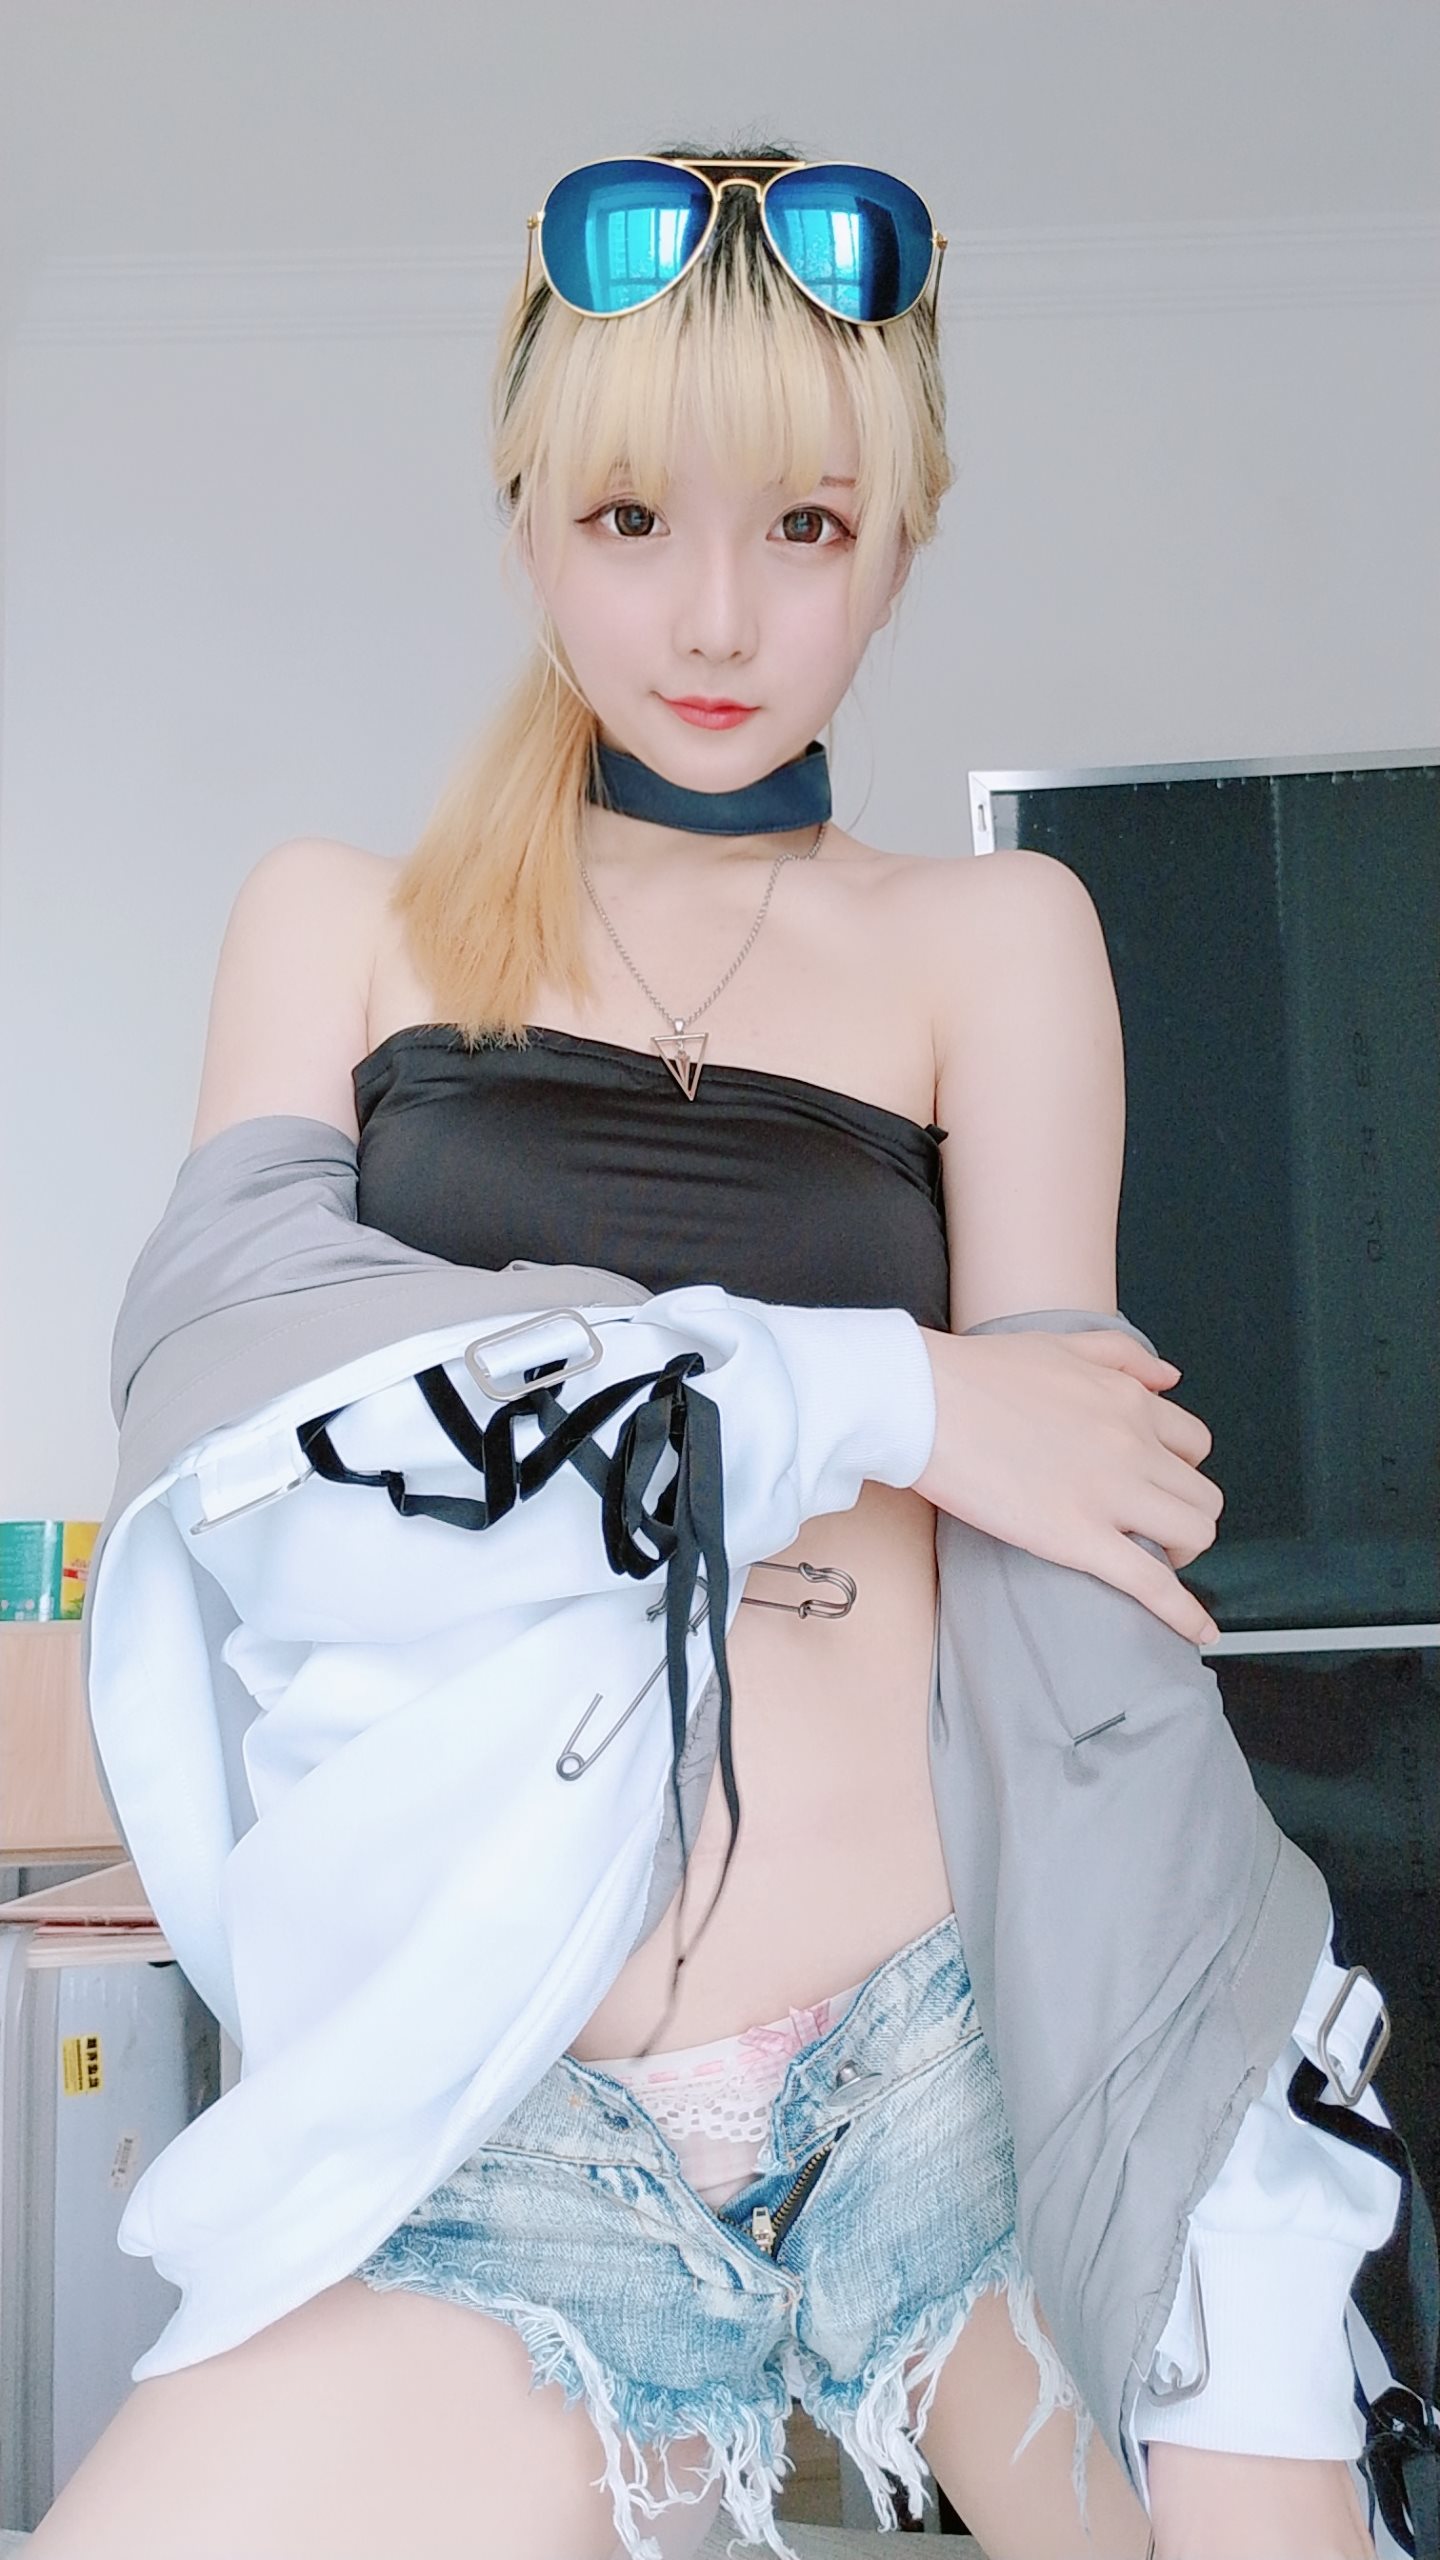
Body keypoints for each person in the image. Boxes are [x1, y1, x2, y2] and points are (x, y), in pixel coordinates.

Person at [31, 136, 1394, 2560]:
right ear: (525, 513)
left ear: (905, 537)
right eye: (635, 517)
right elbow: (249, 1402)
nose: (720, 613)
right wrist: (883, 1395)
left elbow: (1075, 1529)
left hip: (948, 2041)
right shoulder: (342, 926)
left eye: (809, 527)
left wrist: (1214, 2066)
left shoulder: (995, 936)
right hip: (504, 2107)